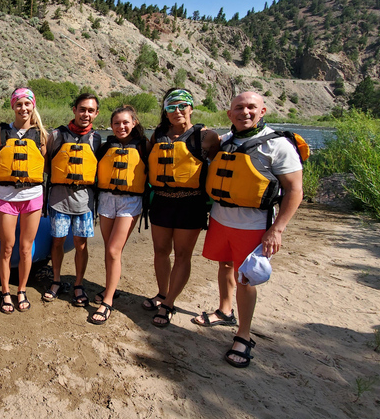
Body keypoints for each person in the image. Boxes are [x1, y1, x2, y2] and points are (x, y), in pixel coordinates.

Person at [196, 91, 303, 368]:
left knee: (246, 278)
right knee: (225, 265)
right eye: (239, 108)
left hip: (255, 224)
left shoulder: (278, 146)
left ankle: (243, 335)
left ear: (263, 110)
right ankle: (224, 310)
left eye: (251, 107)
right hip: (221, 219)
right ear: (230, 114)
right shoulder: (226, 141)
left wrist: (277, 230)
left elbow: (294, 190)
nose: (245, 112)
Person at [145, 88, 220, 328]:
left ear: (191, 107)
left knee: (182, 255)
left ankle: (169, 303)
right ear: (165, 112)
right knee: (160, 251)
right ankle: (161, 292)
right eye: (170, 107)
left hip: (191, 203)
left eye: (181, 105)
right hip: (162, 201)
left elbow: (218, 170)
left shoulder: (207, 137)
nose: (176, 111)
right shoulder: (157, 135)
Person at [0, 88, 48, 314]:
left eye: (27, 104)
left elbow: (47, 165)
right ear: (12, 106)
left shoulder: (41, 134)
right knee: (7, 247)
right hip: (6, 197)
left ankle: (21, 290)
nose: (23, 108)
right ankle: (5, 291)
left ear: (33, 106)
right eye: (19, 104)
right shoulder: (0, 133)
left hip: (33, 197)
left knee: (25, 248)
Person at [89, 106, 148, 324]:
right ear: (111, 125)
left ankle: (108, 301)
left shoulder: (144, 145)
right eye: (116, 123)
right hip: (106, 199)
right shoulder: (105, 146)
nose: (121, 127)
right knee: (110, 249)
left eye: (125, 122)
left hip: (130, 201)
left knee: (114, 250)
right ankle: (110, 288)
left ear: (134, 122)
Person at [43, 93, 101, 307]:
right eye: (82, 109)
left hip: (84, 202)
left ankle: (78, 284)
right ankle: (56, 280)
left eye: (90, 110)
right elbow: (46, 165)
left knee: (81, 245)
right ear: (74, 110)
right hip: (59, 200)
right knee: (57, 241)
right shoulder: (56, 135)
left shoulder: (96, 139)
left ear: (96, 113)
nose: (86, 114)